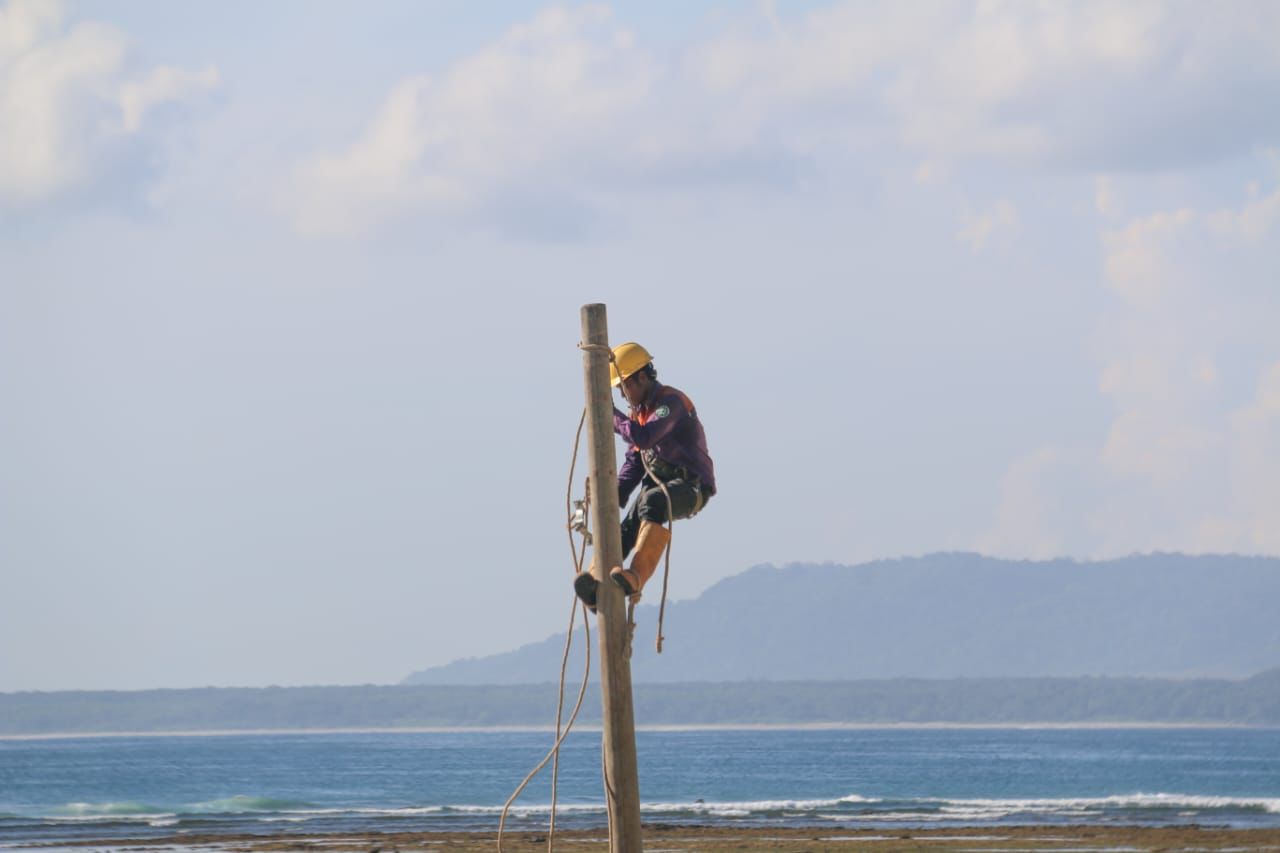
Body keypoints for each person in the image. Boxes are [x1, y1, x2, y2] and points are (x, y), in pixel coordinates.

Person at [574, 342, 716, 610]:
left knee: (652, 501)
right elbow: (636, 463)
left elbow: (645, 437)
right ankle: (596, 583)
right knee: (628, 525)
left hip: (691, 486)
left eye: (624, 386)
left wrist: (607, 413)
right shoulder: (638, 415)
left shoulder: (670, 403)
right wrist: (612, 498)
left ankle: (635, 576)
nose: (624, 394)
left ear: (641, 377)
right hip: (660, 487)